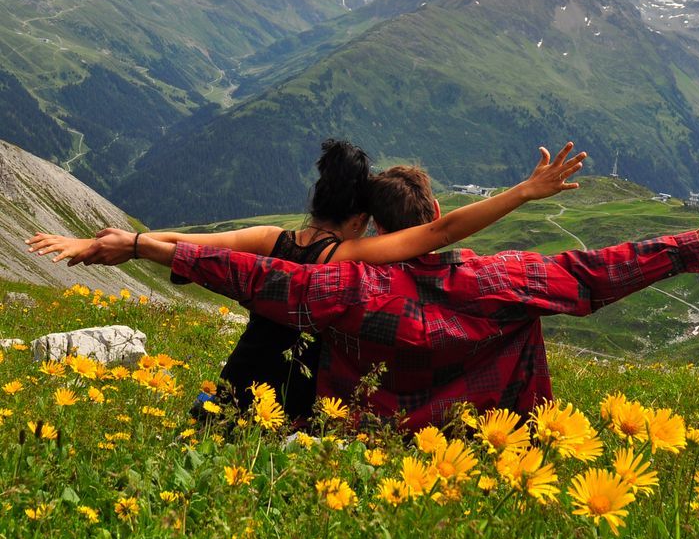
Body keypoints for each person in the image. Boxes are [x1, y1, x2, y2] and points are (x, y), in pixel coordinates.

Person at [49, 164, 699, 431]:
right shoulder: (498, 282)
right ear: (430, 222)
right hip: (490, 439)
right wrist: (686, 246)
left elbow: (255, 275)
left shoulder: (344, 286)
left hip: (356, 432)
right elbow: (590, 274)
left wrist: (141, 245)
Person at [27, 139, 587, 418]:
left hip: (237, 377)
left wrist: (109, 243)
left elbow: (184, 247)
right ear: (359, 216)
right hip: (301, 400)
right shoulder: (354, 258)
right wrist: (524, 192)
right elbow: (441, 235)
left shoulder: (272, 239)